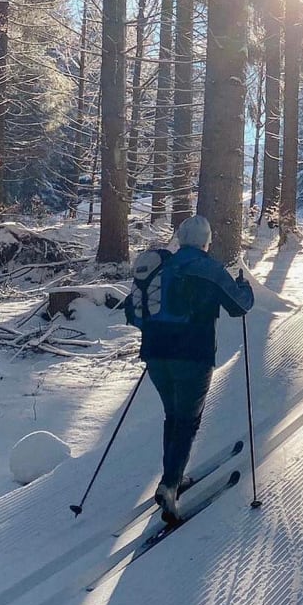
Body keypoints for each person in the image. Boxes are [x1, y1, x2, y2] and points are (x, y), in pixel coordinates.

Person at [127, 214, 254, 523]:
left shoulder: (162, 265)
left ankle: (173, 474)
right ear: (206, 242)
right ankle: (169, 486)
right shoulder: (209, 269)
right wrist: (244, 286)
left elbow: (132, 313)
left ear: (181, 240)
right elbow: (240, 307)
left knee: (174, 416)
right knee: (187, 420)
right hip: (193, 357)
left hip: (155, 355)